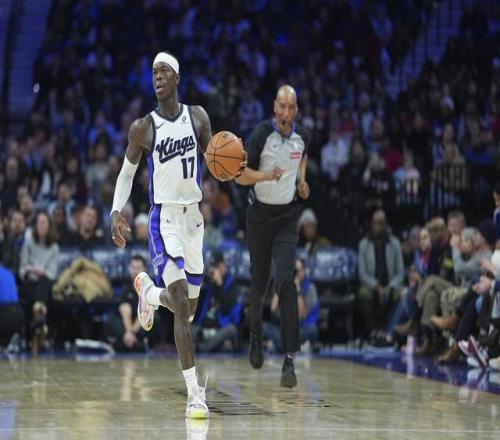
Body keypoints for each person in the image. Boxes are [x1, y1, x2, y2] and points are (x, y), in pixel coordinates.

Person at [109, 51, 245, 419]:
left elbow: (216, 160)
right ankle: (194, 393)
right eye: (153, 71)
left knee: (190, 309)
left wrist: (236, 168)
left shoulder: (197, 116)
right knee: (182, 302)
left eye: (164, 71)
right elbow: (126, 174)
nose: (157, 76)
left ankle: (149, 294)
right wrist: (116, 210)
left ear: (177, 77)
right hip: (163, 219)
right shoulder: (143, 127)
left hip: (194, 220)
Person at [235, 85, 310, 388]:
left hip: (287, 217)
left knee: (286, 282)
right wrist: (267, 175)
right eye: (282, 107)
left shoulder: (302, 137)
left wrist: (302, 182)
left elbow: (302, 159)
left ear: (296, 110)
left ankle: (289, 360)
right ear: (275, 108)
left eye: (291, 108)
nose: (286, 113)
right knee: (259, 283)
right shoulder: (260, 135)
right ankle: (256, 336)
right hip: (260, 216)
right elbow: (241, 176)